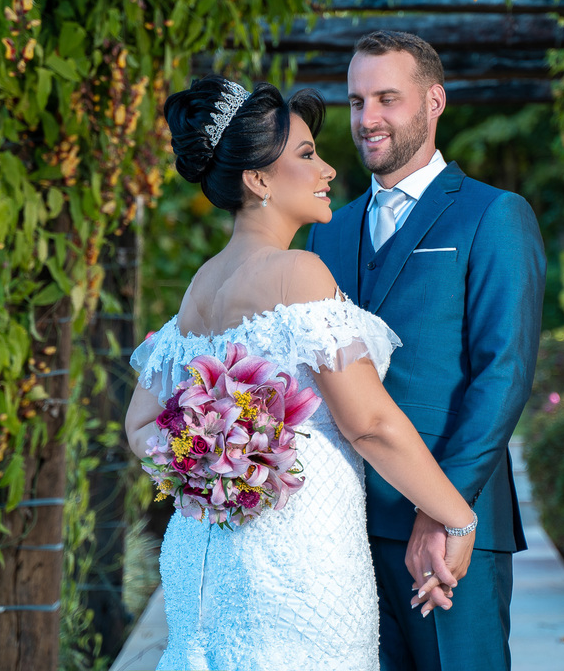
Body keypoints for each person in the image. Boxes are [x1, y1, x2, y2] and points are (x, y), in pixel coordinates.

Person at [125, 76, 480, 671]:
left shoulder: (200, 287)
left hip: (203, 558)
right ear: (258, 180)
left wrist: (213, 458)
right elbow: (369, 424)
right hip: (294, 559)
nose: (328, 170)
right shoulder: (299, 272)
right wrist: (458, 517)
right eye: (308, 154)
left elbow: (141, 427)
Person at [306, 31, 546, 671]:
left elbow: (503, 374)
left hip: (453, 527)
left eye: (388, 98)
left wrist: (442, 511)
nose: (369, 118)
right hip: (339, 530)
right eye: (357, 102)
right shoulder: (326, 233)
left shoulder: (493, 215)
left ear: (434, 101)